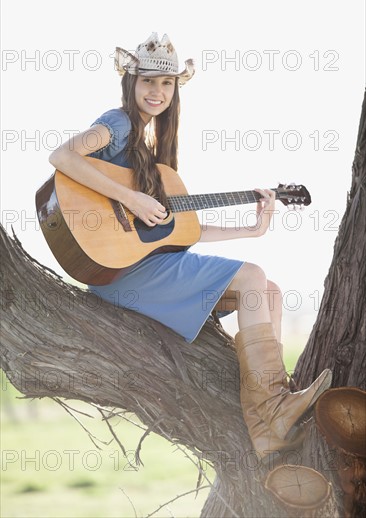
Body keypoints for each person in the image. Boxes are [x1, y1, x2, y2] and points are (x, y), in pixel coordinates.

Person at [49, 32, 332, 462]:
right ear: (131, 84)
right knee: (252, 275)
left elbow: (177, 231)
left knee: (267, 290)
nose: (157, 92)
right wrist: (131, 198)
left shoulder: (155, 147)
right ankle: (272, 411)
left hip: (146, 265)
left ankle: (268, 426)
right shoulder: (120, 123)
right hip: (120, 273)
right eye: (148, 82)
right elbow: (62, 156)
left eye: (166, 84)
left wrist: (250, 230)